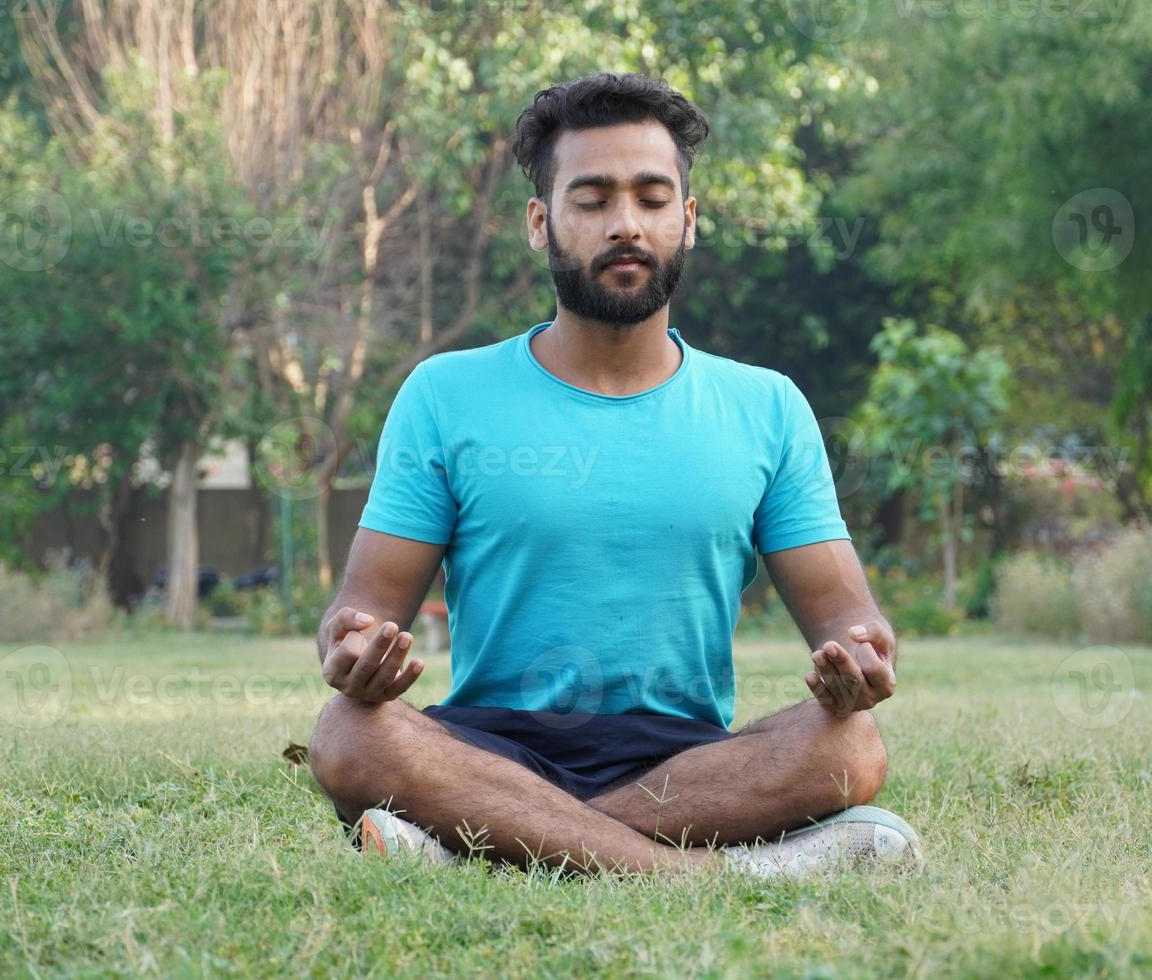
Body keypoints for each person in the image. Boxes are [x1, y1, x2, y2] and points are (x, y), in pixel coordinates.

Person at [307, 71, 922, 878]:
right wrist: (350, 649)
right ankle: (712, 875)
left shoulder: (765, 407)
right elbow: (361, 610)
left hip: (683, 762)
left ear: (689, 219)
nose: (625, 224)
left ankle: (485, 847)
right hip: (490, 744)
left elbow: (848, 621)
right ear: (541, 222)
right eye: (592, 200)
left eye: (652, 198)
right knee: (348, 733)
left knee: (851, 747)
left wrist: (863, 660)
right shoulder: (444, 394)